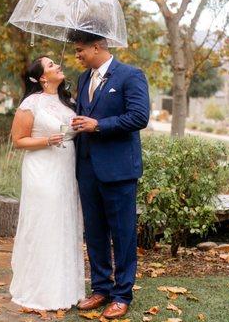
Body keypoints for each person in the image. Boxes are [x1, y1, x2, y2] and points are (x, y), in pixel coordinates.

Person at [70, 29, 150, 319]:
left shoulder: (130, 75)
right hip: (87, 168)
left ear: (96, 46)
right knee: (94, 232)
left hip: (118, 170)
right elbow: (83, 116)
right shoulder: (83, 79)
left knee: (123, 234)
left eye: (80, 50)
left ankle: (122, 294)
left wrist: (98, 125)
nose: (77, 55)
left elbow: (139, 117)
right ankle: (101, 289)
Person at [9, 56, 85, 311]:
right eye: (51, 65)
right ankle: (40, 292)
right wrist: (46, 141)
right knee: (45, 225)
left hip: (66, 169)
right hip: (42, 171)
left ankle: (65, 290)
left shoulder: (69, 101)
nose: (57, 66)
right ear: (42, 77)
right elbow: (18, 140)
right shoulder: (31, 103)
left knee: (64, 224)